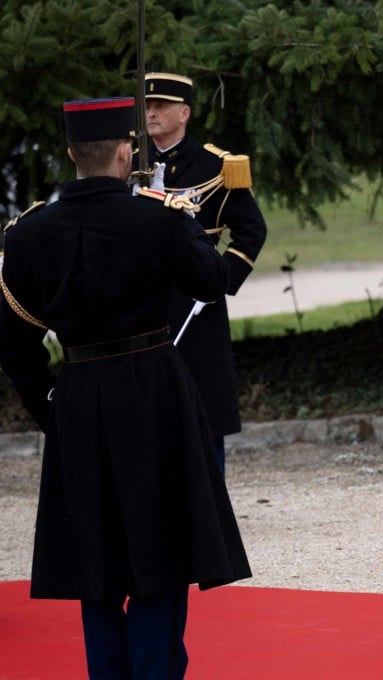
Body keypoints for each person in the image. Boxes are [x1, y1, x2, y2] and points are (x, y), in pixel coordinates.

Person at [0, 97, 251, 678]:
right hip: (156, 396)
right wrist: (184, 222)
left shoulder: (30, 234)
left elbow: (14, 346)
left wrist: (52, 407)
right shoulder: (157, 220)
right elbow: (214, 281)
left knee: (99, 564)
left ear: (70, 154)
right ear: (125, 152)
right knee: (160, 558)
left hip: (81, 399)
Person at [143, 72, 267, 471]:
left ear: (185, 112)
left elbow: (251, 230)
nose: (151, 112)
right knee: (145, 407)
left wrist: (219, 281)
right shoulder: (127, 160)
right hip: (141, 302)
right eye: (146, 106)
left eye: (160, 105)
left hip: (196, 304)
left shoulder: (216, 165)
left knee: (203, 408)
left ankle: (210, 503)